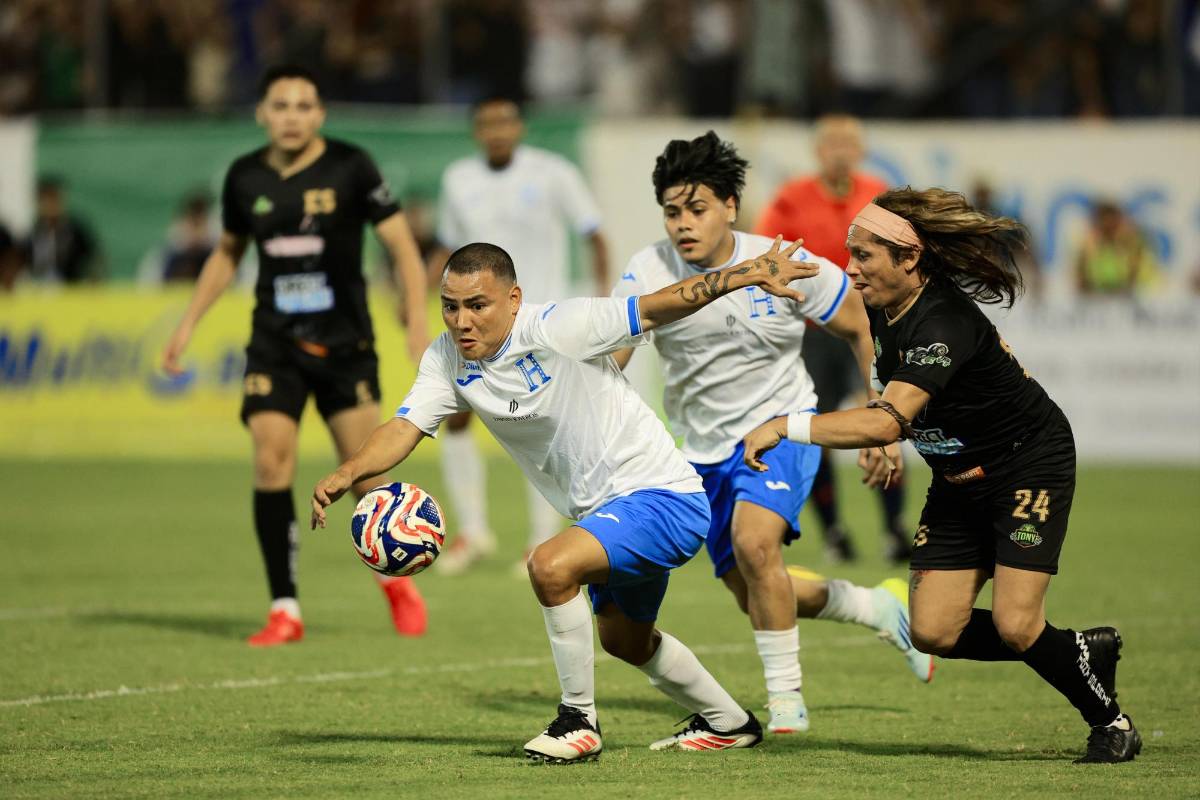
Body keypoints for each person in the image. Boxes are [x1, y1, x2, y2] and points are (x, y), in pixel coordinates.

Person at [312, 238, 818, 761]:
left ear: (513, 299)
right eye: (450, 306)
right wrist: (349, 472)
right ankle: (731, 721)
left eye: (477, 305)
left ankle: (578, 721)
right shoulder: (446, 357)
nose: (462, 321)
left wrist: (743, 274)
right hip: (610, 515)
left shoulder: (559, 327)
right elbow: (405, 426)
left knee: (550, 566)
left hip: (663, 497)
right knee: (625, 641)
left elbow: (656, 305)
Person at [743, 188, 1141, 763]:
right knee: (931, 631)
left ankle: (1112, 724)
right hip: (958, 476)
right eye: (849, 255)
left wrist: (788, 425)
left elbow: (889, 421)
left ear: (910, 259)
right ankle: (1076, 649)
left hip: (1027, 463)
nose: (851, 270)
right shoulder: (881, 302)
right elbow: (883, 387)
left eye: (864, 257)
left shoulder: (944, 321)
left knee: (1015, 621)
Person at [610, 131, 932, 735]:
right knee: (755, 590)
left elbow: (864, 325)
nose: (683, 224)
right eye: (672, 212)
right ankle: (875, 607)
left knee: (757, 547)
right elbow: (616, 354)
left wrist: (882, 417)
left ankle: (786, 704)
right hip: (697, 451)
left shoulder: (782, 259)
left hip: (779, 429)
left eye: (697, 208)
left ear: (731, 205)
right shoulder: (648, 269)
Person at [160, 64, 432, 647]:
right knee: (270, 461)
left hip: (344, 346)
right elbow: (227, 254)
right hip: (274, 344)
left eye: (304, 106)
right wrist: (186, 324)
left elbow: (404, 249)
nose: (291, 116)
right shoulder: (244, 177)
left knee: (366, 474)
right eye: (280, 105)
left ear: (320, 115)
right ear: (262, 113)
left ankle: (394, 579)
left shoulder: (351, 166)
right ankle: (285, 608)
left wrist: (416, 319)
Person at [431, 96, 611, 576]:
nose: (497, 131)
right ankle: (472, 531)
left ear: (519, 127)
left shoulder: (553, 173)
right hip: (477, 324)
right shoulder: (457, 180)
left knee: (542, 425)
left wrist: (602, 301)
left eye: (505, 121)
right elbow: (448, 249)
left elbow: (594, 233)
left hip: (539, 322)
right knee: (456, 416)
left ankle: (538, 540)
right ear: (476, 131)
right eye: (487, 123)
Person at [755, 114, 908, 564]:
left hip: (876, 327)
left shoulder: (878, 195)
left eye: (849, 143)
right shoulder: (791, 198)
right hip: (816, 334)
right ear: (818, 152)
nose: (840, 150)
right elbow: (768, 257)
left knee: (886, 418)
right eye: (832, 143)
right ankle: (835, 531)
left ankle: (895, 527)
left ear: (860, 151)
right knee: (815, 428)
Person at [20, 176, 99, 284]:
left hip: (72, 290)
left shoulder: (76, 232)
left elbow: (94, 260)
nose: (52, 204)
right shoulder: (33, 234)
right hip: (39, 292)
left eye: (55, 198)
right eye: (47, 199)